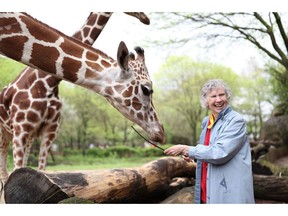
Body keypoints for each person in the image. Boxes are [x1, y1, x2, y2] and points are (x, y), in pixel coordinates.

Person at [164, 79, 255, 204]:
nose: (218, 100)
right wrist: (194, 156)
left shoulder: (236, 121)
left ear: (227, 96)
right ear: (206, 101)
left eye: (221, 95)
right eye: (213, 96)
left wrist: (187, 149)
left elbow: (220, 152)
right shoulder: (207, 122)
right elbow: (208, 150)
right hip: (206, 187)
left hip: (228, 190)